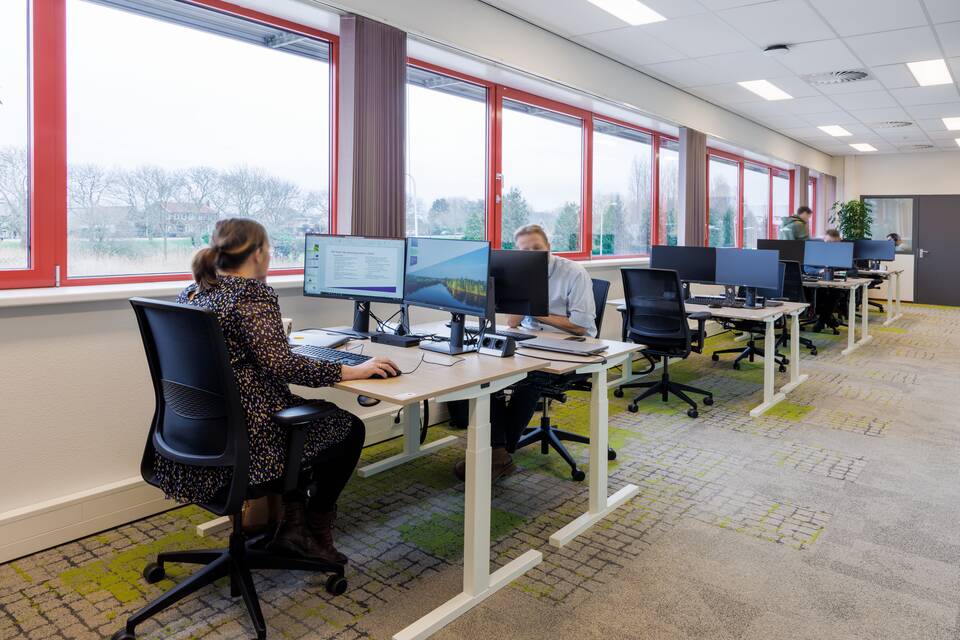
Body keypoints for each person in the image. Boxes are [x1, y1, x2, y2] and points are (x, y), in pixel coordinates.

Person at [157, 218, 399, 566]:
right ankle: (313, 528)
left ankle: (293, 525)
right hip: (252, 436)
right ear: (258, 253)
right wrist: (350, 369)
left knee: (306, 420)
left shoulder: (195, 291)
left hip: (197, 432)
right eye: (267, 249)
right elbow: (282, 366)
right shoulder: (252, 295)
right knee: (348, 429)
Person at [452, 224, 597, 482]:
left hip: (573, 345)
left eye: (536, 249)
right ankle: (498, 453)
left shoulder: (573, 273)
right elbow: (511, 322)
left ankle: (498, 453)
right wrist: (517, 290)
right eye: (524, 251)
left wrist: (536, 311)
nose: (532, 254)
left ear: (548, 247)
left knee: (530, 380)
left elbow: (581, 326)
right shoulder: (519, 272)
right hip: (531, 341)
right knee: (487, 375)